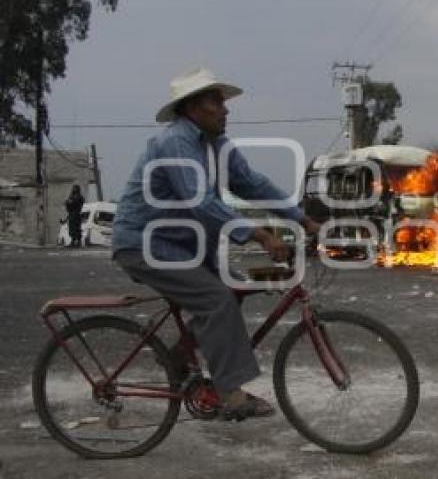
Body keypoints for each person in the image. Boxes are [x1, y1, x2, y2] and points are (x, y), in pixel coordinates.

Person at [111, 68, 321, 420]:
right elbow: (202, 203)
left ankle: (177, 359)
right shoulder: (175, 142)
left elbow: (253, 184)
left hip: (181, 246)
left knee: (233, 289)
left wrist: (301, 218)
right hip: (145, 244)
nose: (226, 110)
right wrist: (259, 234)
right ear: (193, 108)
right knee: (216, 299)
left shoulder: (216, 146)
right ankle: (230, 395)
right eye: (217, 102)